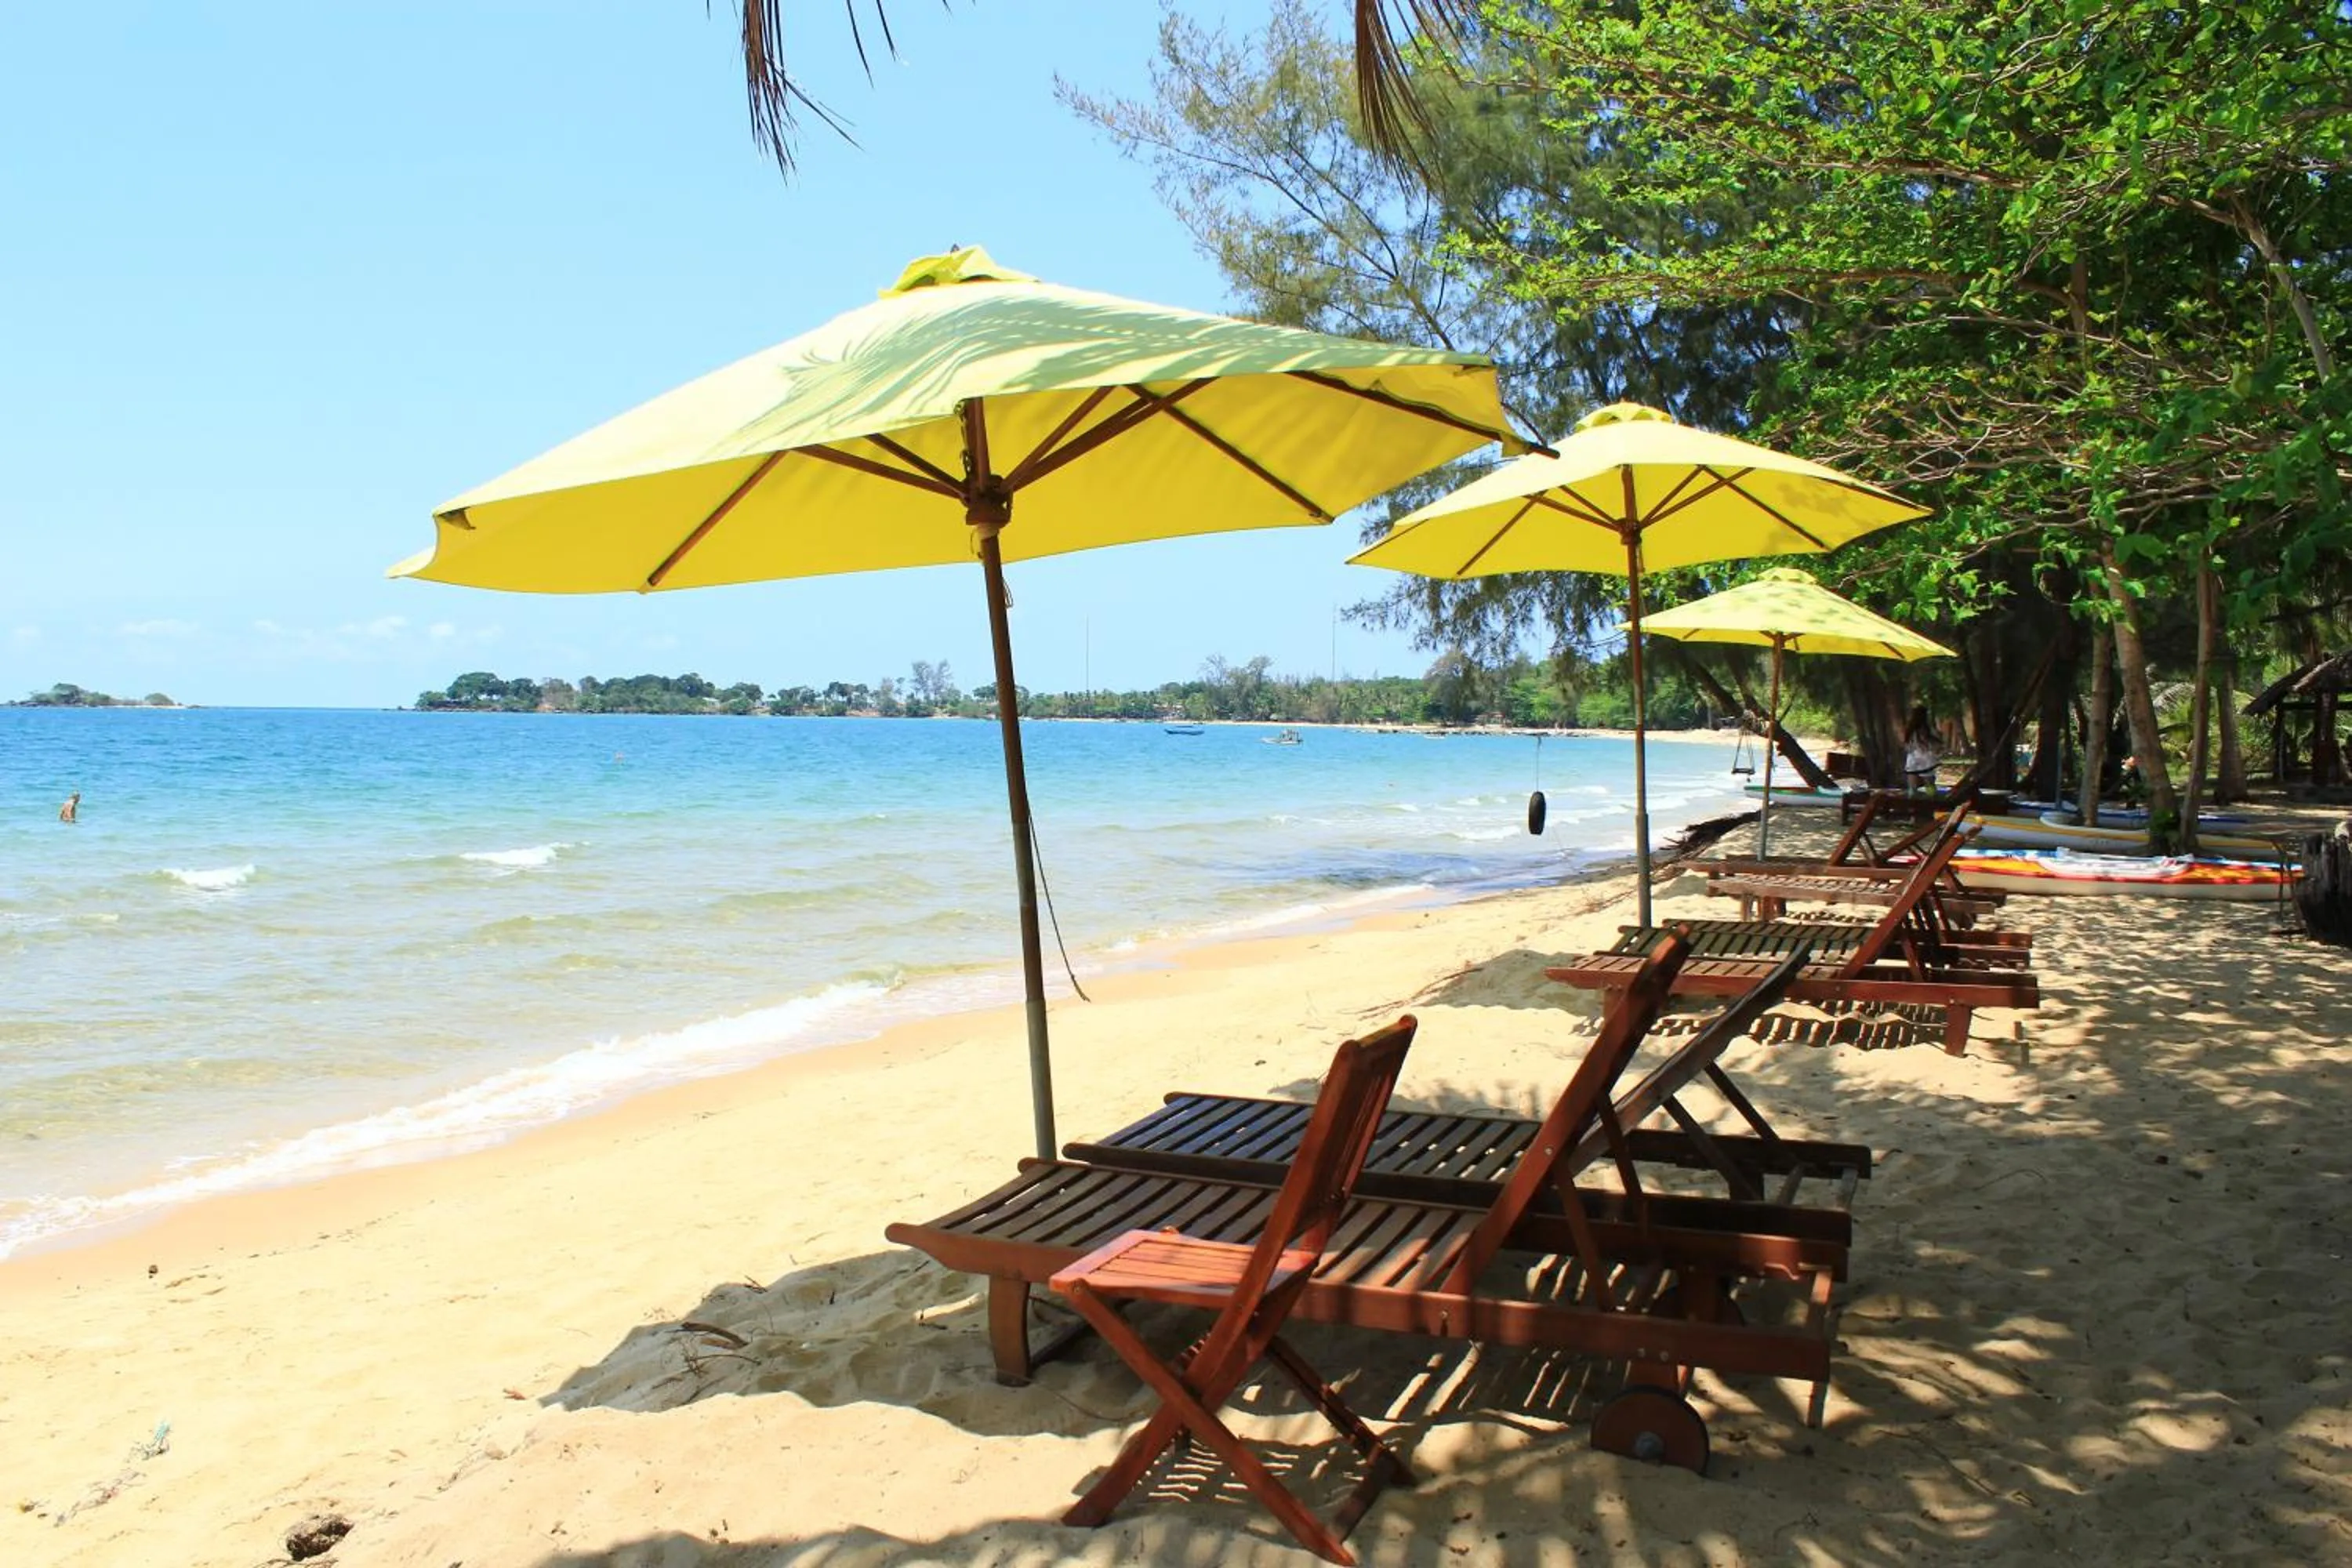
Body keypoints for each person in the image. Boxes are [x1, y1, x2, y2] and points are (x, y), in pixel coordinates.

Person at [1901, 705, 1940, 795]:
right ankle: (1932, 801)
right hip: (1925, 756)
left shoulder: (1910, 728)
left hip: (1912, 756)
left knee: (1912, 785)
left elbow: (1906, 743)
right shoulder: (1924, 727)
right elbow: (1925, 740)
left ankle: (1912, 803)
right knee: (1929, 783)